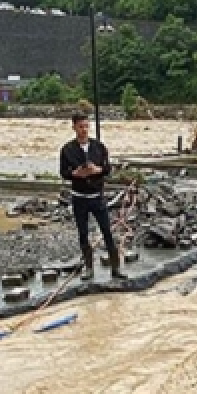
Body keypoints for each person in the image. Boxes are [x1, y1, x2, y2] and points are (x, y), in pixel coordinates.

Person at [59, 113, 123, 281]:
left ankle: (115, 268)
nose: (84, 130)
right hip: (79, 196)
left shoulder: (99, 147)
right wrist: (75, 173)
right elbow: (64, 173)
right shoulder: (67, 149)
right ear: (74, 127)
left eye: (86, 126)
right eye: (80, 126)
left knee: (107, 231)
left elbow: (107, 168)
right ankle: (89, 268)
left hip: (97, 196)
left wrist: (98, 170)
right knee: (83, 233)